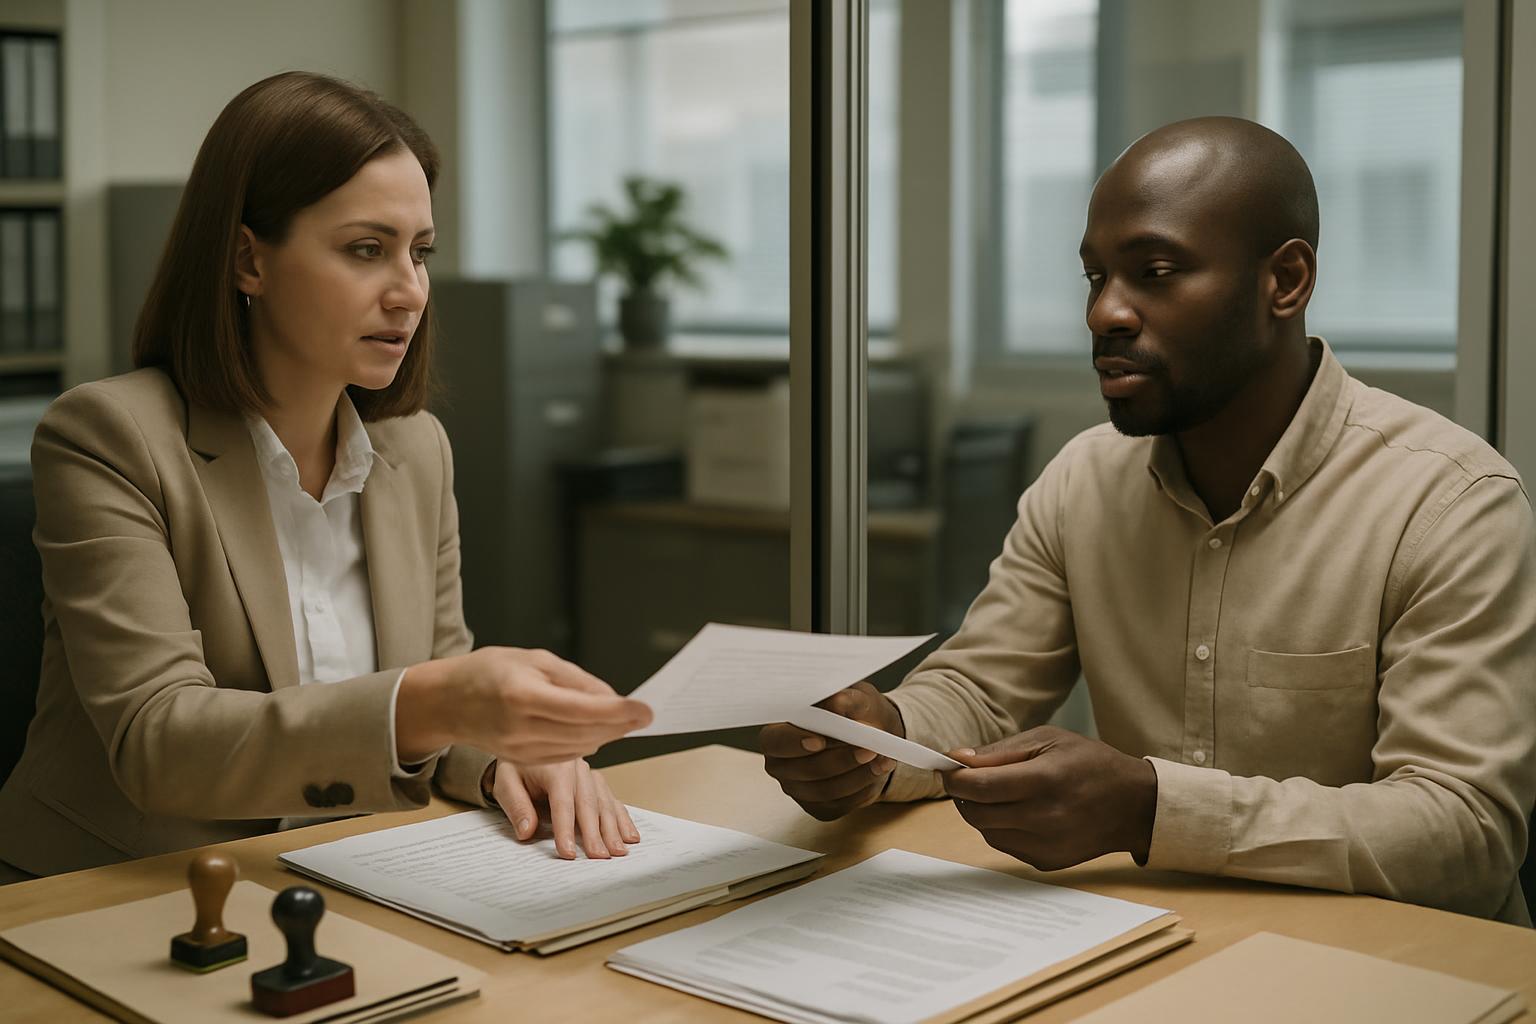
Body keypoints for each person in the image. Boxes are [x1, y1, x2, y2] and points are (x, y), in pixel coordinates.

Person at [761, 116, 1536, 924]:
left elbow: (1464, 831)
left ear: (1287, 281)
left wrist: (1149, 807)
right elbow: (982, 691)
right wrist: (880, 739)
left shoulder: (1448, 501)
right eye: (1095, 277)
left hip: (1391, 969)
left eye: (1156, 272)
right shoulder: (1082, 480)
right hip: (1152, 937)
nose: (1106, 313)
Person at [0, 71, 653, 883]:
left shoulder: (418, 451)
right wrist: (444, 700)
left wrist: (504, 756)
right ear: (249, 261)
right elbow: (158, 739)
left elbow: (441, 698)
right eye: (366, 250)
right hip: (119, 890)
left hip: (350, 870)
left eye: (420, 253)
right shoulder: (109, 436)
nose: (410, 292)